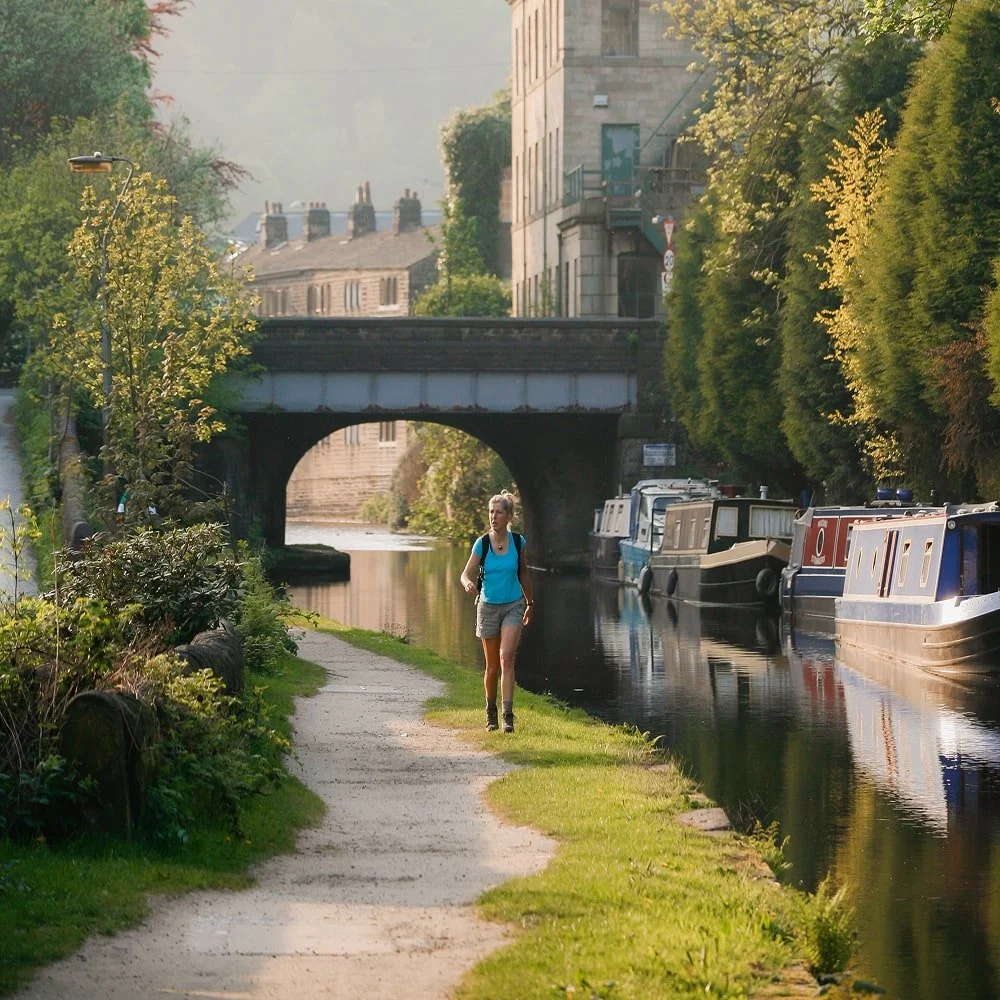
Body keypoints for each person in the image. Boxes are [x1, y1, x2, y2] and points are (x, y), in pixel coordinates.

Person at [460, 490, 533, 733]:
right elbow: (465, 573)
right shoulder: (481, 544)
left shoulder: (518, 542)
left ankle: (508, 715)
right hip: (488, 607)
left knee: (507, 658)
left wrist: (529, 603)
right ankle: (490, 712)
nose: (493, 516)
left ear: (509, 516)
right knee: (492, 667)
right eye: (491, 512)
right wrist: (468, 583)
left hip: (513, 605)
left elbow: (523, 572)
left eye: (499, 512)